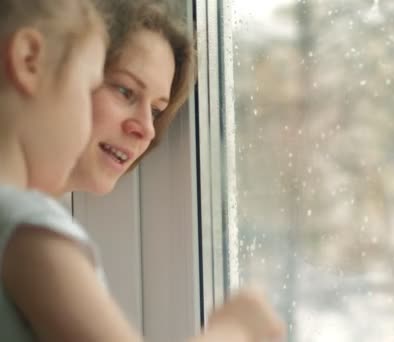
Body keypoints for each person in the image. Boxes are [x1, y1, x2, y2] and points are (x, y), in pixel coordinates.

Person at [63, 0, 286, 340]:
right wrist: (234, 329)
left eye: (155, 111)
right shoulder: (30, 228)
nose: (147, 129)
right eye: (125, 91)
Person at [0, 0, 107, 340]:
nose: (92, 123)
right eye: (90, 91)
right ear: (30, 59)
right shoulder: (26, 228)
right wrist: (234, 327)